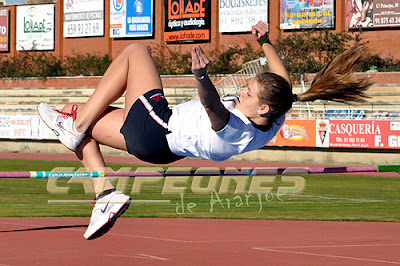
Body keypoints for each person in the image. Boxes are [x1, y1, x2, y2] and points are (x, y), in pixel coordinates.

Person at [37, 22, 372, 240]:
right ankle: (105, 193)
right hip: (162, 148)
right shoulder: (274, 118)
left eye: (249, 93)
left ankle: (74, 128)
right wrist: (266, 42)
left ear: (262, 108)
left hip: (159, 126)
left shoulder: (236, 127)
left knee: (136, 52)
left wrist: (201, 76)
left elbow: (213, 107)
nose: (243, 91)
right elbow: (282, 82)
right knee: (78, 113)